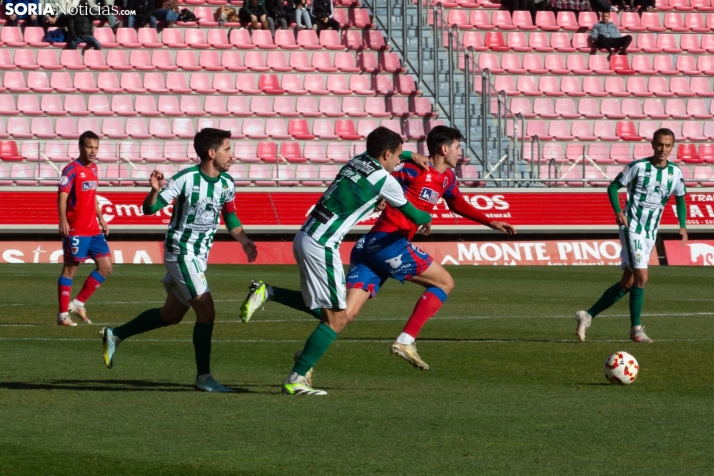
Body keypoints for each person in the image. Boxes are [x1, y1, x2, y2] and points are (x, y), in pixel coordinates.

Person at [240, 127, 433, 396]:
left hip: (305, 235)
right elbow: (415, 214)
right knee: (338, 320)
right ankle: (296, 378)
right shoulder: (386, 181)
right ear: (387, 153)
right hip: (322, 245)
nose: (400, 161)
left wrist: (411, 155)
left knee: (319, 307)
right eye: (398, 155)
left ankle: (268, 292)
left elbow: (377, 167)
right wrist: (427, 220)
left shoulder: (357, 160)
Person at [344, 126, 517, 369]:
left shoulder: (447, 179)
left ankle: (304, 363)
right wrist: (380, 199)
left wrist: (490, 221)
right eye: (458, 147)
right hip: (390, 242)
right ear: (444, 149)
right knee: (444, 283)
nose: (461, 153)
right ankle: (405, 340)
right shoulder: (414, 169)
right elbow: (383, 179)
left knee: (344, 315)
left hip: (372, 246)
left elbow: (458, 204)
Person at [100, 128, 258, 393]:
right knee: (207, 310)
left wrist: (244, 240)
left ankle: (115, 334)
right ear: (211, 153)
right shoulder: (185, 179)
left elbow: (230, 216)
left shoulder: (227, 183)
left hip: (199, 256)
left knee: (171, 315)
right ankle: (204, 377)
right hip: (181, 252)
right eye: (227, 149)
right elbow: (150, 209)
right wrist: (153, 191)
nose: (232, 155)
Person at [575, 128, 687, 344]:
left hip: (650, 231)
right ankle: (636, 329)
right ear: (653, 144)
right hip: (631, 226)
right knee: (642, 277)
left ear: (672, 147)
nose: (663, 149)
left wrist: (682, 225)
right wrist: (618, 211)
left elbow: (680, 198)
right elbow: (613, 187)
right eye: (660, 144)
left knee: (628, 283)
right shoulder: (638, 167)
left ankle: (587, 315)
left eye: (668, 145)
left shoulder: (676, 173)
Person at [57, 131, 111, 327]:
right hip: (77, 229)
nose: (93, 151)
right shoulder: (70, 170)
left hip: (94, 229)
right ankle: (63, 315)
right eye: (89, 147)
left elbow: (93, 196)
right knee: (70, 270)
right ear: (81, 147)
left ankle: (78, 303)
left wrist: (101, 218)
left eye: (96, 147)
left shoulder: (95, 169)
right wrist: (63, 220)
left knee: (106, 267)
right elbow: (62, 195)